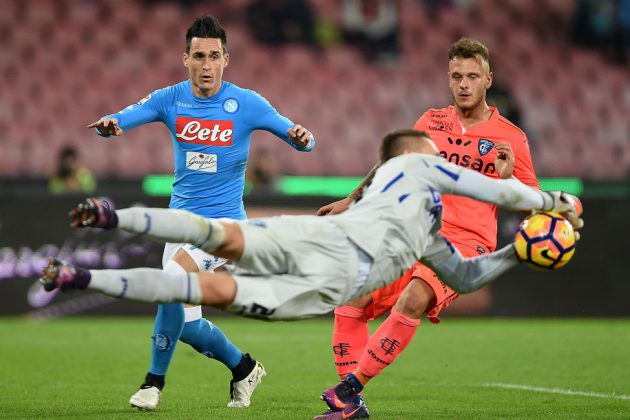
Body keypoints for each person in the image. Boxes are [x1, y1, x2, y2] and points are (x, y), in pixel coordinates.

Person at [41, 130, 581, 418]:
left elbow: (464, 275)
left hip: (296, 291)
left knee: (192, 288)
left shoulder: (429, 238)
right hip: (295, 240)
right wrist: (553, 203)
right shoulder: (402, 190)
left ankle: (85, 277)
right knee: (200, 252)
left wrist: (518, 248)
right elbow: (483, 194)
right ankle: (110, 229)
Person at [86, 15, 315, 411]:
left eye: (213, 56)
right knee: (187, 325)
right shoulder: (169, 98)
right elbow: (124, 117)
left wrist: (302, 137)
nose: (206, 65)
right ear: (185, 59)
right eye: (198, 56)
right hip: (179, 224)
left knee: (172, 280)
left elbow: (300, 138)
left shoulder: (246, 102)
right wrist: (111, 125)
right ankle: (244, 368)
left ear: (226, 60)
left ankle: (153, 383)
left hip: (223, 226)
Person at [314, 37, 539, 419]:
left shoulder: (510, 137)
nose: (464, 84)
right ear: (448, 78)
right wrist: (352, 198)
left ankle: (350, 388)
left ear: (488, 80)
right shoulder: (432, 121)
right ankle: (352, 409)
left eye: (472, 76)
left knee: (414, 299)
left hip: (466, 244)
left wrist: (507, 180)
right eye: (457, 76)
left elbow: (532, 203)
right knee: (352, 299)